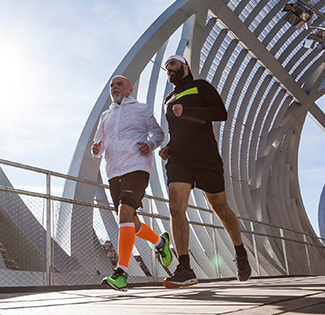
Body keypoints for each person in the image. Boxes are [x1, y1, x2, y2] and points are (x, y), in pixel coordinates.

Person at [159, 55, 252, 289]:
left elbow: (221, 113)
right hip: (179, 159)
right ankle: (185, 267)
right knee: (175, 207)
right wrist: (169, 147)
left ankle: (240, 253)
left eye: (172, 64)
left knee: (220, 207)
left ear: (184, 67)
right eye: (166, 66)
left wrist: (188, 109)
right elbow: (178, 128)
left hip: (206, 157)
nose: (168, 68)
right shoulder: (168, 99)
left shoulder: (200, 86)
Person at [92, 75, 170, 291]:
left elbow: (158, 133)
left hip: (137, 167)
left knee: (125, 211)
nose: (114, 88)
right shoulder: (105, 116)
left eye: (119, 84)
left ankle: (121, 272)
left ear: (129, 89)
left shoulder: (141, 109)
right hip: (112, 171)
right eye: (111, 85)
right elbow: (100, 145)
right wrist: (97, 150)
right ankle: (161, 243)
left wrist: (150, 144)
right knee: (130, 221)